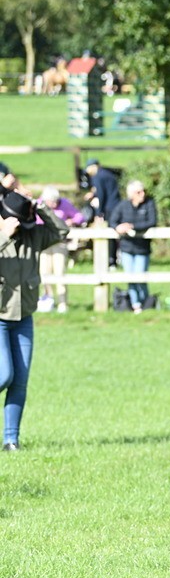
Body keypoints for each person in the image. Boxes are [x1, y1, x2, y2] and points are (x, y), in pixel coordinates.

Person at [0, 192, 71, 450]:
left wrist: (40, 207)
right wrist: (4, 236)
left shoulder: (33, 236)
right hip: (0, 317)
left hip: (24, 318)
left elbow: (61, 231)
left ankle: (11, 440)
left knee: (20, 381)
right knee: (4, 375)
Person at [109, 181, 157, 314]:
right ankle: (136, 304)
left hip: (142, 248)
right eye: (138, 192)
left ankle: (145, 301)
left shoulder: (149, 204)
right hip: (126, 247)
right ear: (131, 194)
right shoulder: (123, 205)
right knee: (130, 277)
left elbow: (152, 222)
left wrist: (132, 226)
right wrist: (118, 227)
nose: (142, 194)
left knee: (140, 276)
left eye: (143, 191)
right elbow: (113, 220)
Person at [37, 187, 85, 313]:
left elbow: (80, 217)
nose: (53, 204)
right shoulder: (39, 204)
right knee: (44, 272)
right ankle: (48, 300)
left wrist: (70, 221)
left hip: (60, 243)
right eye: (51, 202)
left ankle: (63, 303)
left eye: (55, 201)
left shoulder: (64, 204)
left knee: (60, 272)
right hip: (44, 243)